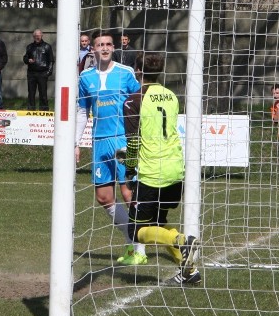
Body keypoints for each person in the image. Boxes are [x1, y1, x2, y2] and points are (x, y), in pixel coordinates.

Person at [117, 52, 201, 285]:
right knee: (157, 222)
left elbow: (133, 142)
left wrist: (129, 170)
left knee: (136, 232)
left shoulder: (133, 100)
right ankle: (189, 270)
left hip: (152, 172)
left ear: (137, 71)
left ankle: (180, 240)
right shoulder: (171, 96)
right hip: (175, 168)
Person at [74, 29, 140, 265]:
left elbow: (139, 100)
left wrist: (138, 133)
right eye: (100, 44)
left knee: (128, 193)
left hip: (122, 139)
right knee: (103, 197)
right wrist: (76, 143)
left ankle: (138, 248)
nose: (104, 48)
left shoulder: (125, 73)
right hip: (100, 142)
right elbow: (82, 112)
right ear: (92, 49)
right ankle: (132, 239)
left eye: (108, 44)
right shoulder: (85, 78)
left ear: (114, 48)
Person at [22, 28, 54, 111]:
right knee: (31, 93)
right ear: (33, 36)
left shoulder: (47, 46)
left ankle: (44, 111)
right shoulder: (29, 47)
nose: (37, 37)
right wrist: (28, 60)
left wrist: (48, 72)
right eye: (36, 35)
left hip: (43, 73)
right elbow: (25, 58)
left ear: (42, 35)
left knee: (43, 94)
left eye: (39, 35)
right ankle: (31, 110)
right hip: (31, 73)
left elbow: (51, 60)